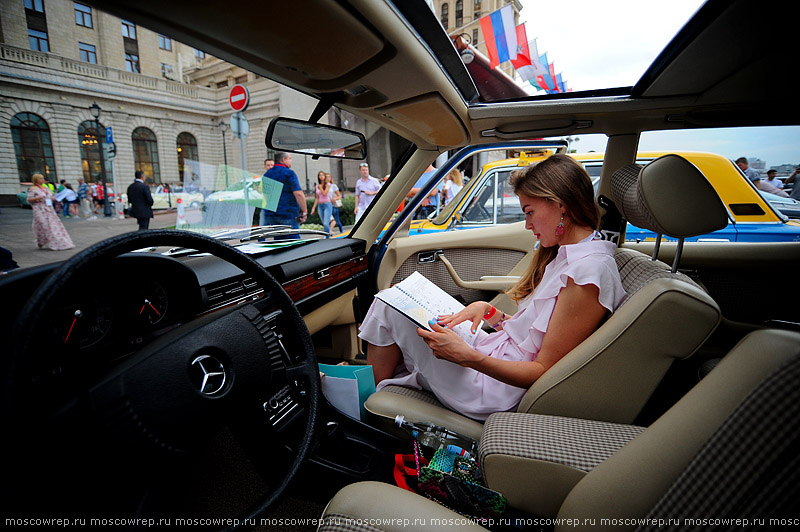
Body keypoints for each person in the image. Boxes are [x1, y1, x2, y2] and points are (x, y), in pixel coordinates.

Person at [359, 155, 626, 420]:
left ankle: (368, 408)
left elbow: (544, 371)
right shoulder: (571, 256)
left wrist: (469, 358)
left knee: (388, 304)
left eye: (529, 212)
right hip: (492, 352)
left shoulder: (588, 273)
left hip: (491, 389)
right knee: (398, 297)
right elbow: (534, 336)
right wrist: (491, 314)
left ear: (560, 205)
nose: (527, 224)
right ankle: (380, 390)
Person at [260, 152, 307, 237]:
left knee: (279, 241)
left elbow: (266, 195)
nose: (291, 161)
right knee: (293, 243)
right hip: (288, 213)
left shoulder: (267, 174)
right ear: (283, 159)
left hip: (272, 214)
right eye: (290, 158)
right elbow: (298, 193)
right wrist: (304, 211)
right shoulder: (289, 173)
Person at [26, 174, 75, 251]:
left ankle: (60, 242)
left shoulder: (45, 187)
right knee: (44, 225)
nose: (42, 180)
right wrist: (37, 198)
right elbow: (29, 199)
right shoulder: (33, 188)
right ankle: (44, 241)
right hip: (39, 208)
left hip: (49, 208)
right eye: (40, 179)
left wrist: (55, 198)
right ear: (36, 179)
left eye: (43, 178)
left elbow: (51, 197)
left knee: (53, 225)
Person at [310, 171, 333, 237]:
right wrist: (313, 208)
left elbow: (324, 193)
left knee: (326, 223)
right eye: (320, 175)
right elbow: (317, 198)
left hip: (327, 205)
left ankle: (327, 237)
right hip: (320, 205)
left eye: (322, 175)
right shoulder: (317, 186)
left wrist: (320, 187)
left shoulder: (328, 184)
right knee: (324, 223)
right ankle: (327, 235)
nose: (321, 176)